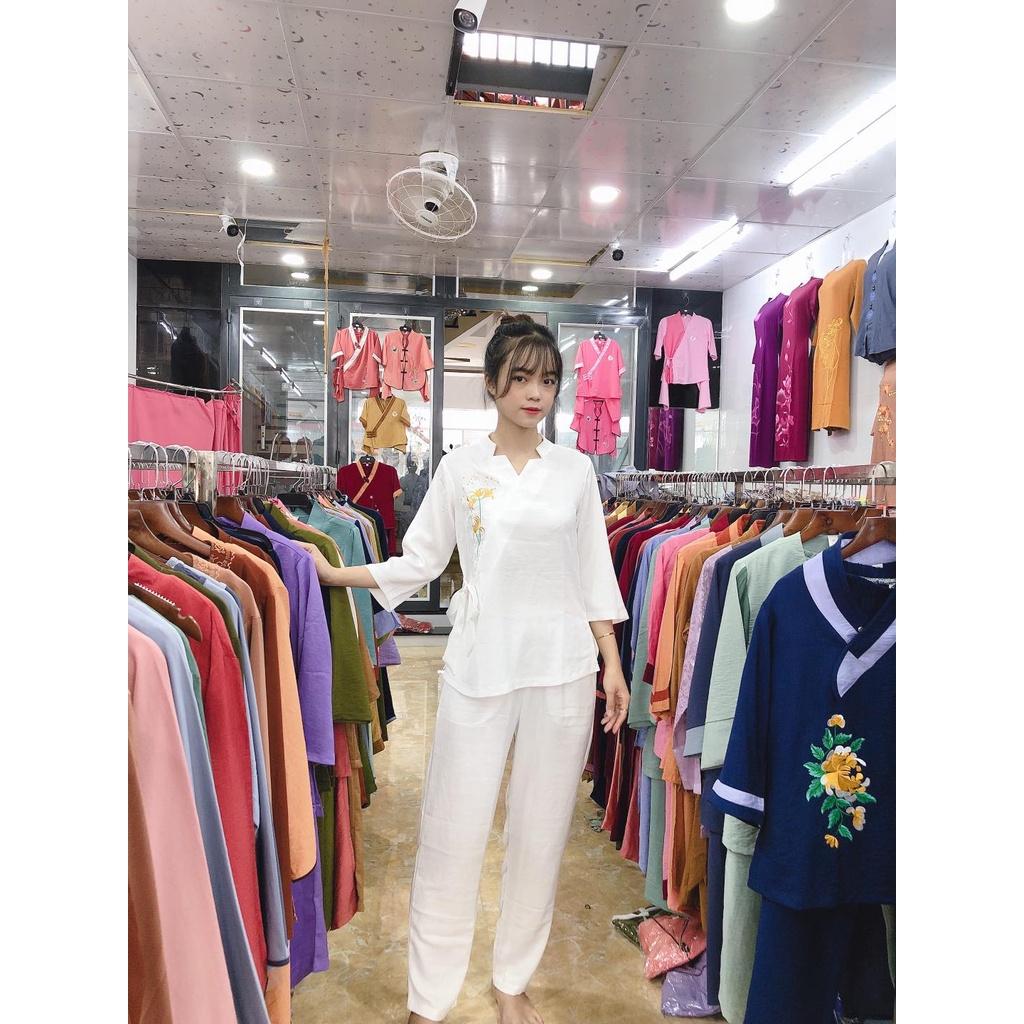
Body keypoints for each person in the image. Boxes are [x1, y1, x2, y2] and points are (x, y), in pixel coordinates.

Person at [299, 314, 630, 1024]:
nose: (535, 393)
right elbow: (419, 560)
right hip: (480, 663)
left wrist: (611, 661)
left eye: (548, 380)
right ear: (493, 383)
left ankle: (512, 981)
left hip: (564, 668)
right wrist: (334, 573)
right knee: (451, 832)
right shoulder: (461, 469)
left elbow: (592, 572)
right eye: (521, 377)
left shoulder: (575, 471)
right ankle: (430, 997)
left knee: (541, 834)